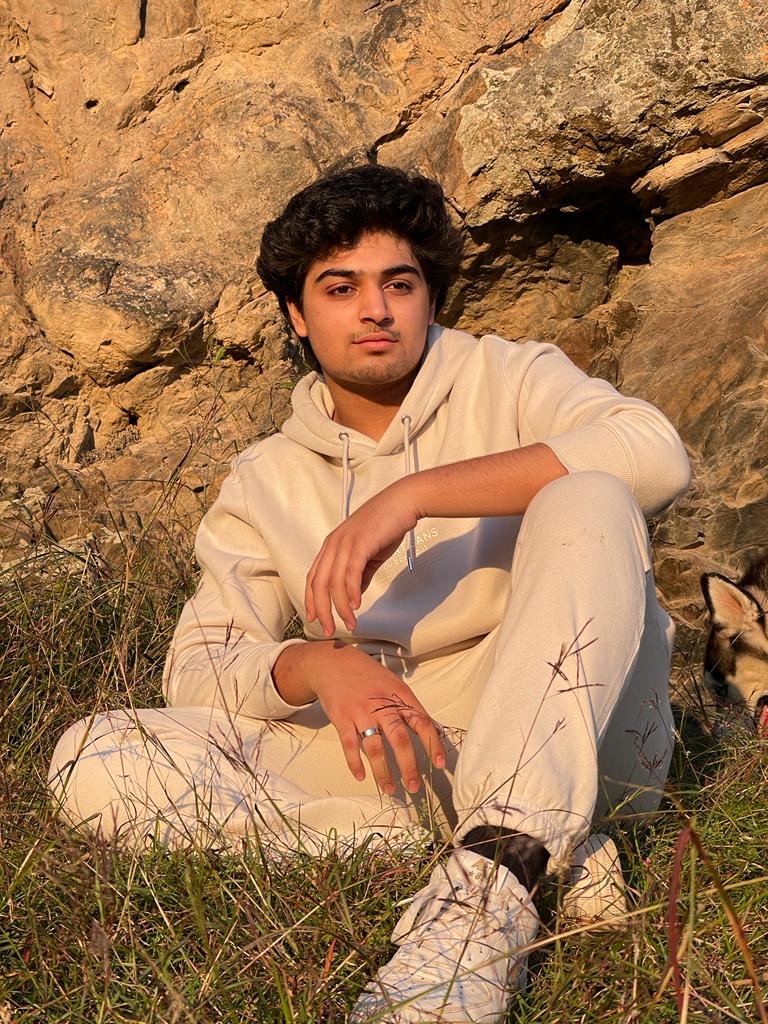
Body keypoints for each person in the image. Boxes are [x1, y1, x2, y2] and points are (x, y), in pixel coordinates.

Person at [49, 163, 691, 1022]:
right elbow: (197, 667)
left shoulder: (511, 377)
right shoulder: (266, 477)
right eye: (340, 287)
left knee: (591, 494)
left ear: (429, 297)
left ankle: (485, 901)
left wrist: (415, 495)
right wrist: (316, 666)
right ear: (297, 314)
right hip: (401, 758)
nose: (376, 309)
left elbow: (653, 451)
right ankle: (525, 853)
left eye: (400, 283)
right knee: (95, 757)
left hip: (577, 730)